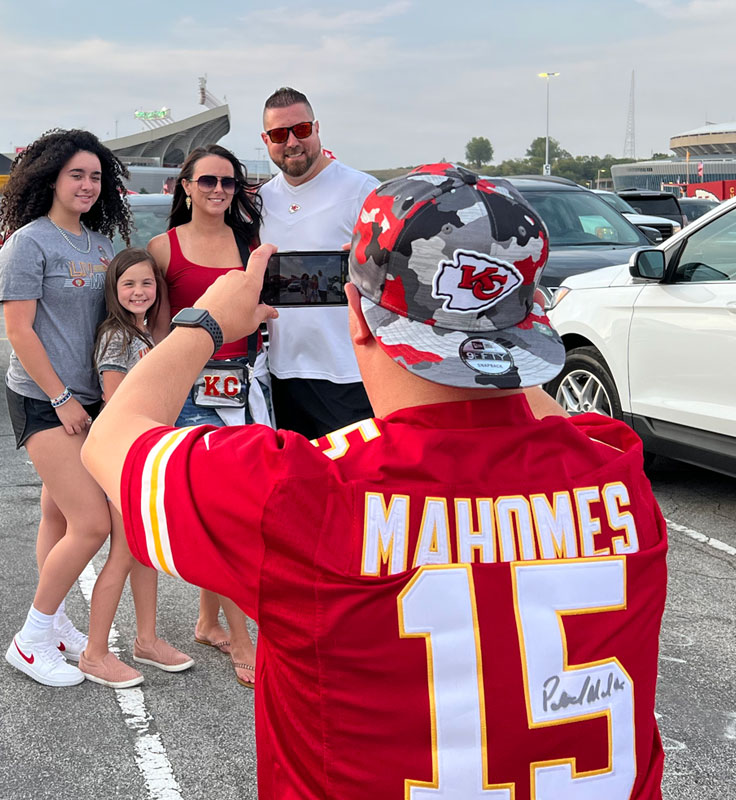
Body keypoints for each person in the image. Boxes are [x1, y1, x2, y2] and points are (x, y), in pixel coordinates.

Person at [83, 164, 668, 799]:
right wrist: (498, 332)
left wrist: (205, 322)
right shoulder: (617, 472)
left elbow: (112, 440)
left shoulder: (306, 490)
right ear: (531, 319)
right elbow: (540, 419)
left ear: (355, 312)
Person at [0, 128, 131, 687]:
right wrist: (62, 397)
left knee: (57, 516)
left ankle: (54, 625)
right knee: (93, 522)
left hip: (91, 398)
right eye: (76, 174)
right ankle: (30, 640)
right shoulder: (28, 244)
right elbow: (20, 331)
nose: (88, 184)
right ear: (50, 177)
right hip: (42, 398)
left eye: (96, 176)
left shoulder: (100, 246)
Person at [148, 143, 266, 689]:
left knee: (236, 507)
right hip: (191, 393)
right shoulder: (162, 249)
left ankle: (207, 621)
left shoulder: (251, 245)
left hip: (247, 385)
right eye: (208, 181)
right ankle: (240, 639)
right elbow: (156, 335)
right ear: (186, 187)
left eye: (228, 182)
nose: (219, 190)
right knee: (219, 512)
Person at [78, 247, 193, 687]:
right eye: (129, 284)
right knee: (124, 553)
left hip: (143, 454)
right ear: (114, 290)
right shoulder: (117, 335)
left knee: (145, 551)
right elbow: (114, 399)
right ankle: (94, 653)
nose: (139, 291)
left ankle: (146, 640)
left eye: (147, 283)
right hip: (123, 457)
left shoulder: (145, 333)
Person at [259, 87, 380, 439]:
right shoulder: (264, 199)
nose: (292, 142)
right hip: (284, 373)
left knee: (354, 484)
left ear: (317, 128)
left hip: (348, 373)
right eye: (280, 134)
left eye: (302, 130)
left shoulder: (361, 190)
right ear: (266, 140)